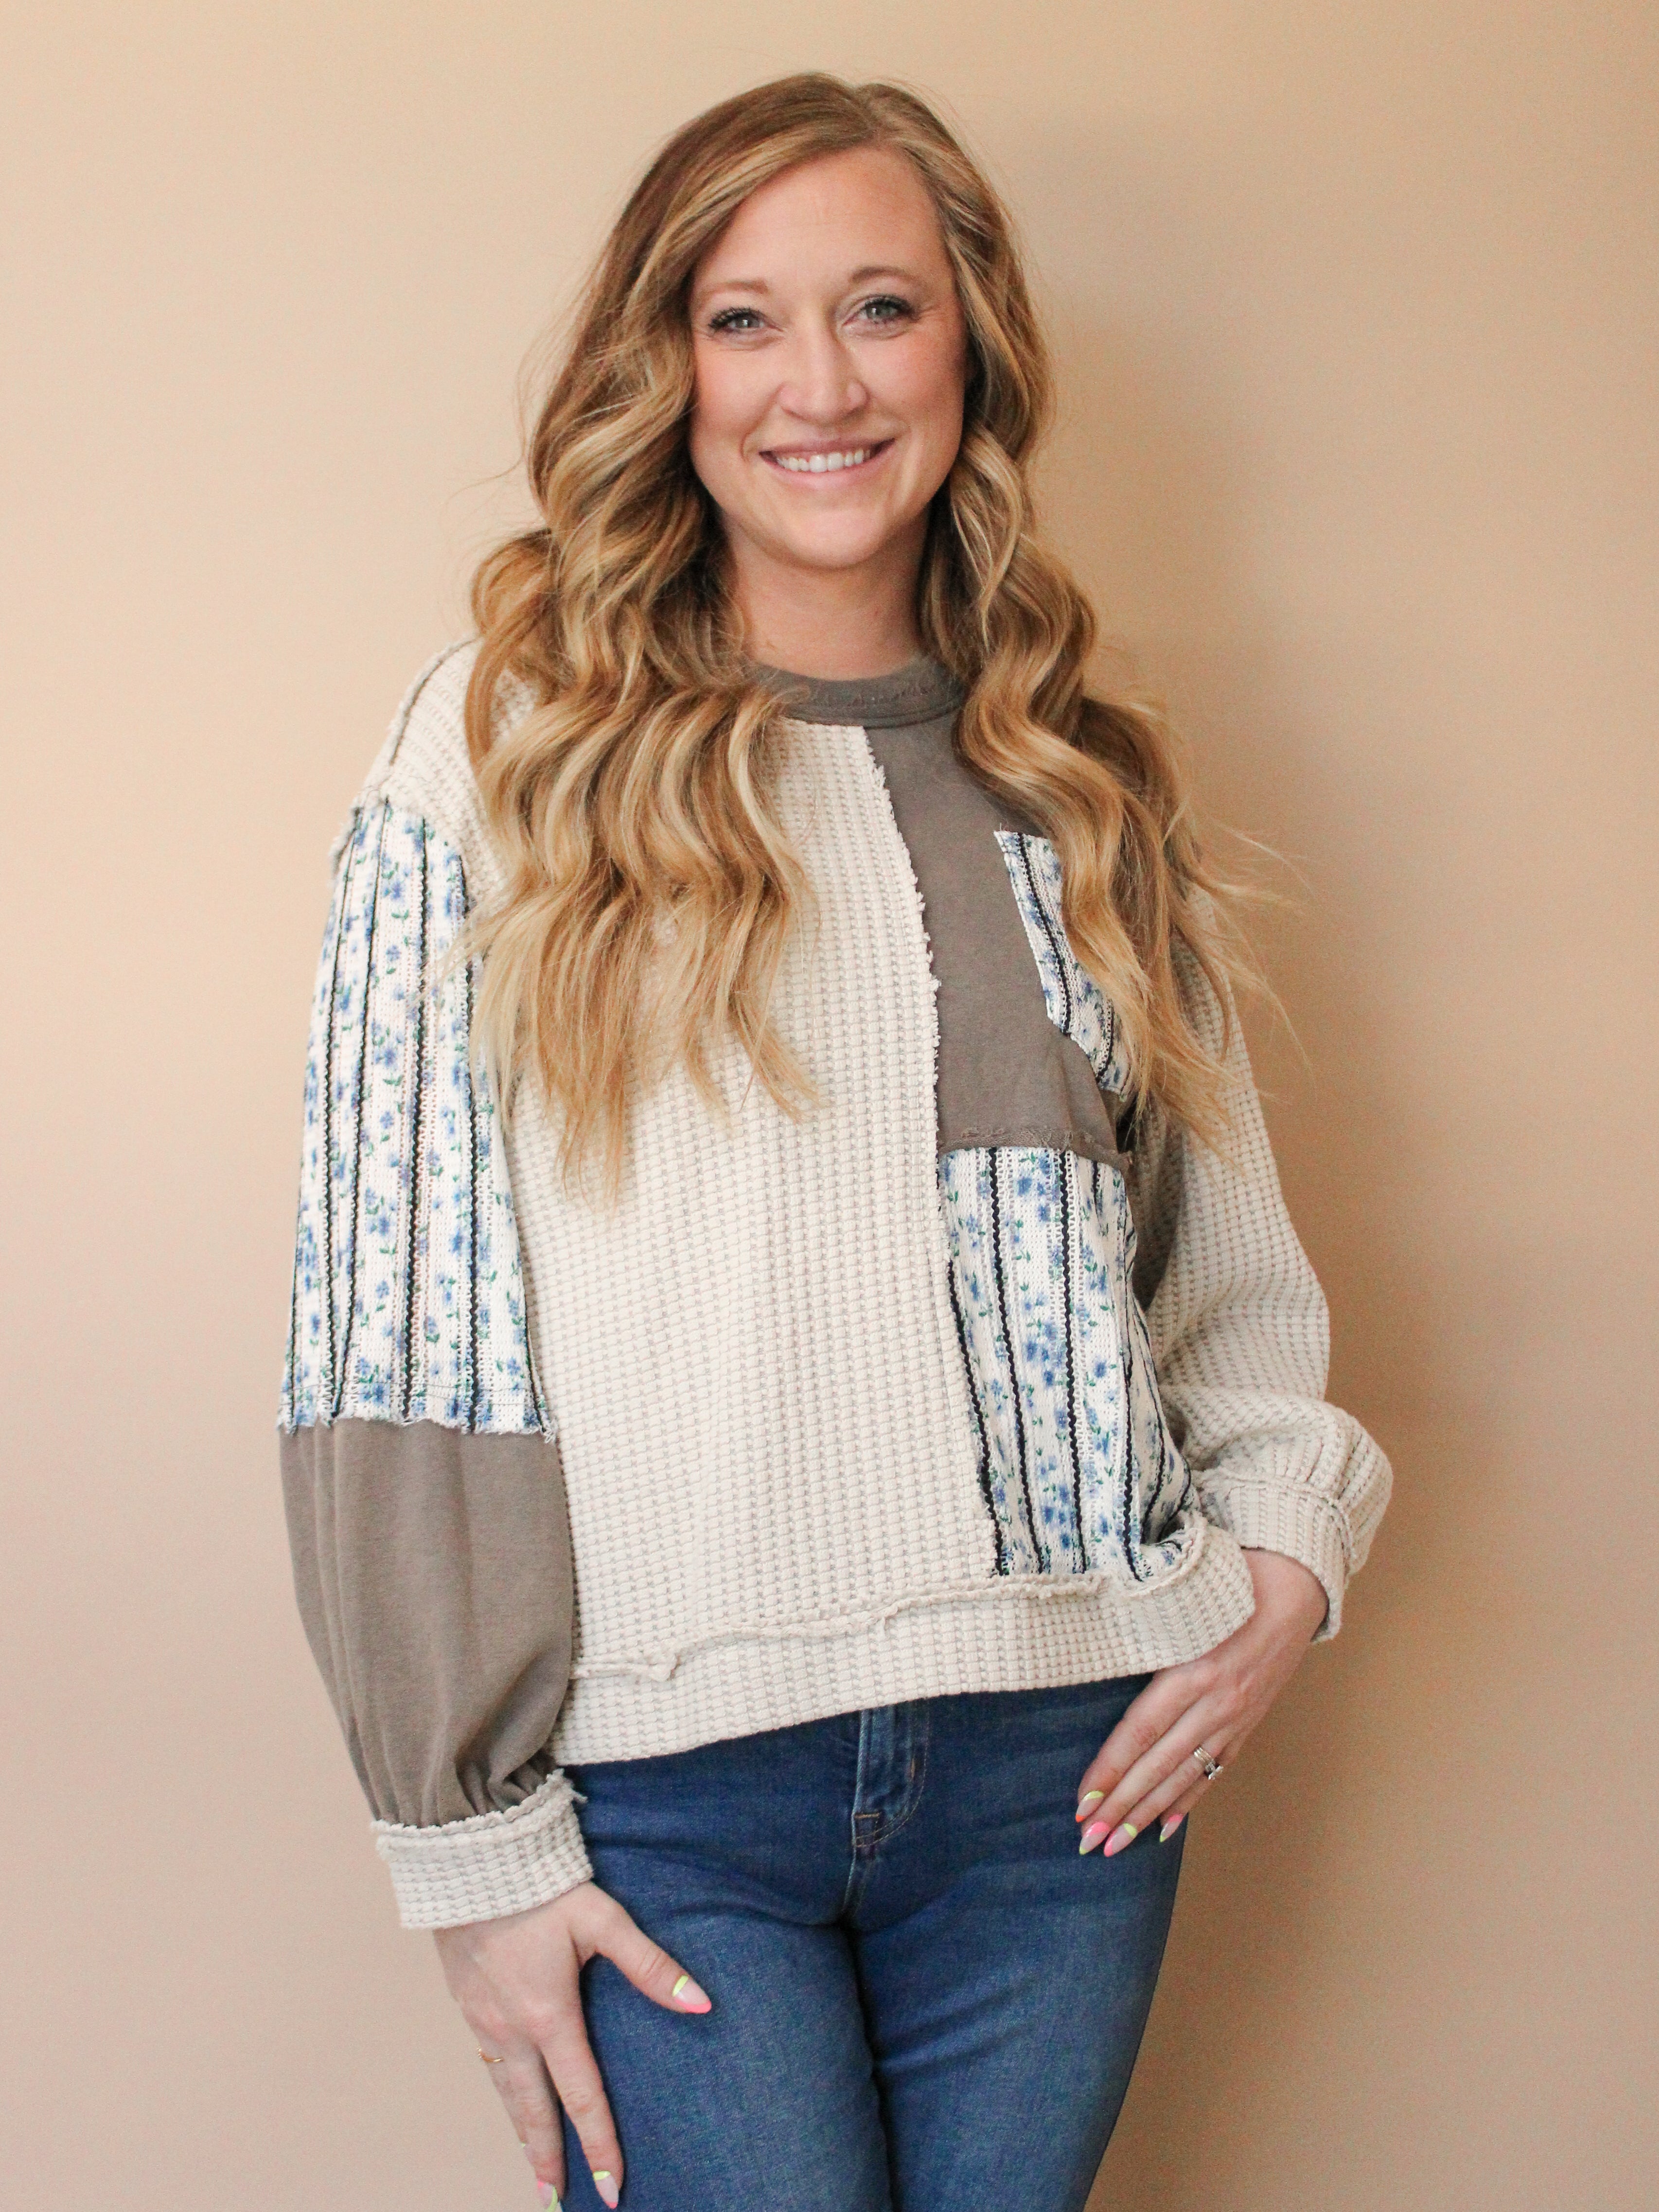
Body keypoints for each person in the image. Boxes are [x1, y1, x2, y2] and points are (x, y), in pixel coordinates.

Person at [278, 71, 1390, 2212]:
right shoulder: (499, 748)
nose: (821, 384)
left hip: (1063, 1782)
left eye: (880, 308)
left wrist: (1279, 1561)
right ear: (667, 369)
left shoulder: (1075, 776)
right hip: (661, 1795)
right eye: (744, 319)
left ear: (969, 351)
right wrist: (465, 1844)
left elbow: (1217, 1271)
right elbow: (396, 1329)